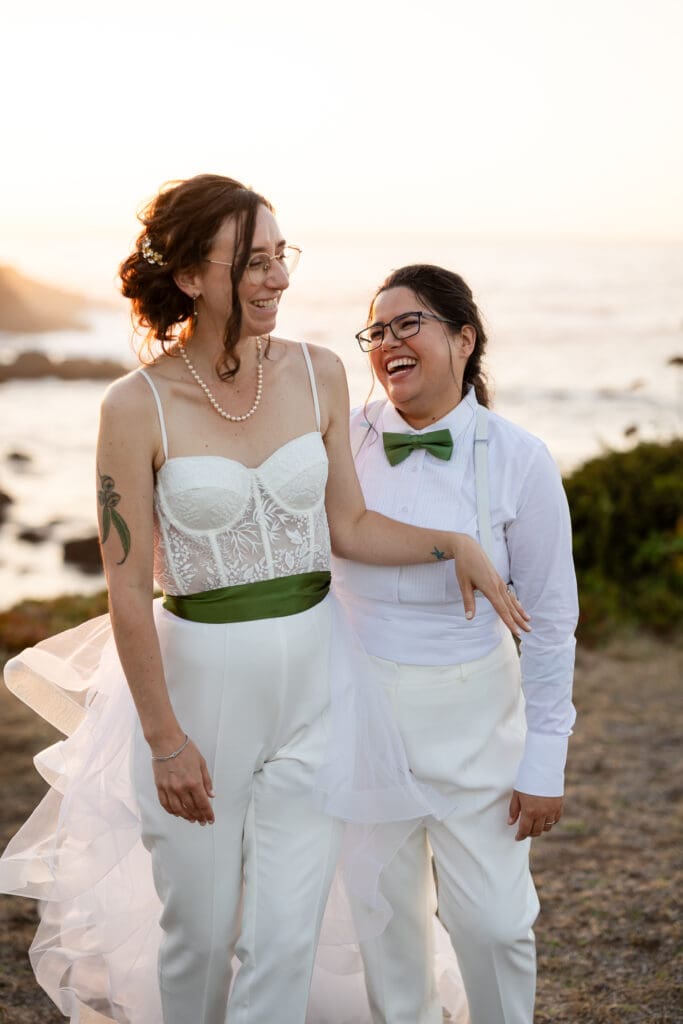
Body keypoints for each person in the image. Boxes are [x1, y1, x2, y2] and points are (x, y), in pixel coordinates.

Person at [0, 178, 527, 1024]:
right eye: (252, 260)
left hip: (317, 693)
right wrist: (166, 741)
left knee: (283, 942)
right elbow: (129, 587)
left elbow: (347, 524)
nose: (276, 278)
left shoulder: (319, 374)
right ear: (189, 277)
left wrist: (452, 543)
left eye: (282, 256)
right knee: (201, 939)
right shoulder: (133, 407)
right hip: (197, 699)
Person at [333, 264, 579, 1024]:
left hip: (477, 724)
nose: (388, 342)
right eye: (376, 330)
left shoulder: (520, 457)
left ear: (463, 338)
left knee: (495, 924)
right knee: (384, 926)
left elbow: (549, 619)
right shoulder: (342, 440)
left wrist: (545, 759)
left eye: (409, 324)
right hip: (361, 715)